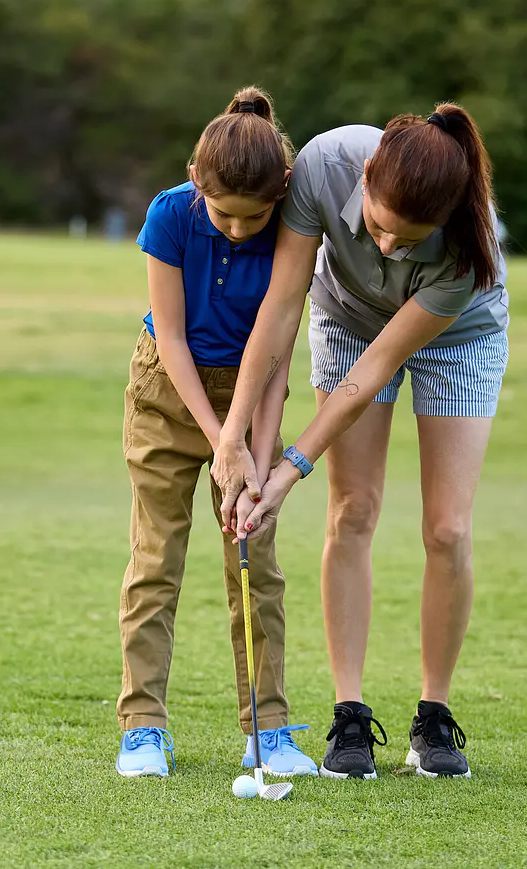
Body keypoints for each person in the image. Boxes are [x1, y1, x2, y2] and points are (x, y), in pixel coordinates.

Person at [212, 104, 508, 780]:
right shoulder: (323, 164)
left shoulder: (465, 251)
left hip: (458, 339)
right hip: (345, 316)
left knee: (447, 528)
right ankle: (350, 714)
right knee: (354, 509)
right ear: (367, 177)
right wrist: (234, 436)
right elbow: (283, 303)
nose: (387, 248)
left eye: (409, 240)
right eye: (378, 226)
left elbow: (375, 370)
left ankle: (434, 716)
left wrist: (288, 468)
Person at [114, 87, 317, 779]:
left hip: (253, 392)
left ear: (282, 191)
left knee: (256, 554)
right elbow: (169, 336)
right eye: (224, 213)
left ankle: (269, 727)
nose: (238, 228)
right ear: (196, 180)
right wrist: (220, 440)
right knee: (155, 556)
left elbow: (279, 354)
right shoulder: (170, 213)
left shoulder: (293, 225)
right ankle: (143, 726)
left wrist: (255, 463)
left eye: (252, 216)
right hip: (168, 397)